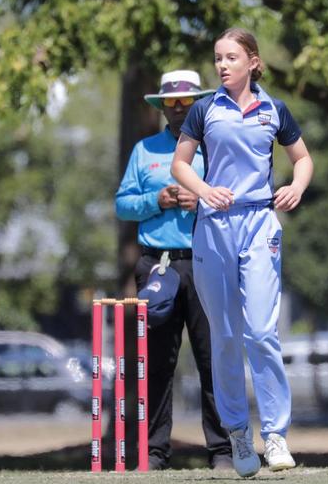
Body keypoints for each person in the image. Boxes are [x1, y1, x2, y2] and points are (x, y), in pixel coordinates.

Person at [171, 28, 314, 477]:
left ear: (253, 61)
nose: (222, 65)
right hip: (213, 228)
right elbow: (180, 164)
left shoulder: (274, 109)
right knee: (226, 336)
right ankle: (237, 434)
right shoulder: (203, 110)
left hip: (258, 223)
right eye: (218, 58)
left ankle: (275, 436)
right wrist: (204, 189)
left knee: (261, 331)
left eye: (231, 57)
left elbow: (303, 158)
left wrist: (296, 186)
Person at [115, 69, 233, 470]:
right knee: (157, 362)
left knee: (211, 358)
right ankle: (154, 451)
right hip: (158, 266)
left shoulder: (215, 149)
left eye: (187, 101)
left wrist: (199, 201)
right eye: (172, 102)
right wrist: (157, 199)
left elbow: (234, 201)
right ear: (163, 106)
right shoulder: (144, 150)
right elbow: (122, 205)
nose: (180, 108)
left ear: (199, 103)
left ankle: (221, 450)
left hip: (205, 260)